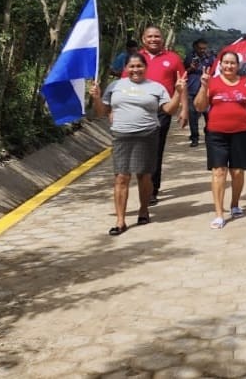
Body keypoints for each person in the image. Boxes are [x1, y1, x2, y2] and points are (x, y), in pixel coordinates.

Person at [89, 54, 185, 236]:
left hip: (147, 135)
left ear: (145, 67)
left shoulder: (156, 87)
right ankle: (120, 220)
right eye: (131, 66)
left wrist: (178, 92)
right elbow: (102, 111)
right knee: (121, 177)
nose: (135, 70)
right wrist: (96, 98)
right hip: (121, 135)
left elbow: (169, 110)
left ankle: (143, 210)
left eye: (139, 66)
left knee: (144, 176)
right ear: (125, 68)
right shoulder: (115, 86)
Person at [192, 51, 246, 229]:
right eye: (226, 63)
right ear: (220, 64)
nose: (229, 66)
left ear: (238, 66)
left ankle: (235, 204)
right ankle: (219, 213)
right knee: (218, 172)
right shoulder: (212, 82)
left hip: (241, 132)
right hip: (216, 133)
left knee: (237, 172)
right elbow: (199, 106)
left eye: (232, 63)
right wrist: (203, 86)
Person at [128, 26, 187, 205]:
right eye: (150, 36)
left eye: (157, 36)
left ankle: (152, 189)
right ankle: (142, 182)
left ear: (162, 39)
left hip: (162, 110)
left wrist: (184, 108)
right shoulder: (136, 59)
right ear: (143, 39)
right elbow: (123, 82)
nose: (154, 39)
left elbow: (181, 84)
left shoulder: (173, 59)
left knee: (155, 149)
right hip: (136, 111)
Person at [184, 38, 215, 147]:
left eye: (204, 48)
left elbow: (215, 71)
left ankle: (209, 135)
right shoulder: (189, 57)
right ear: (195, 47)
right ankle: (195, 138)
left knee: (209, 115)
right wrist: (191, 68)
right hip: (192, 90)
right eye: (200, 48)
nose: (202, 51)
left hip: (206, 90)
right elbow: (183, 72)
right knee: (193, 116)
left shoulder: (210, 58)